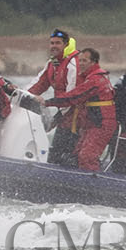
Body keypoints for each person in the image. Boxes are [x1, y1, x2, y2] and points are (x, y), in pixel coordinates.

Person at [44, 46, 118, 171]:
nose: (81, 64)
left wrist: (46, 102)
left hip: (101, 124)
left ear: (93, 62)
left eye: (85, 61)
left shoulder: (95, 80)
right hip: (93, 123)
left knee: (87, 156)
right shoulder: (92, 77)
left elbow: (73, 97)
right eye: (80, 61)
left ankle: (93, 187)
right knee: (76, 155)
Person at [27, 29, 81, 166]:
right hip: (63, 116)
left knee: (69, 153)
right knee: (56, 151)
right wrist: (23, 95)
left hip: (77, 117)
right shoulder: (52, 63)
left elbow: (71, 96)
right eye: (51, 43)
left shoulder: (73, 63)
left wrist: (56, 118)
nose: (54, 46)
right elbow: (39, 84)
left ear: (66, 45)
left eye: (58, 43)